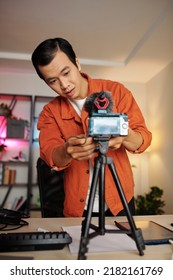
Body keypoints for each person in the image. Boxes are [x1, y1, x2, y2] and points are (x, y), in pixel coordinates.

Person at [31, 37, 152, 217]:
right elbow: (49, 155)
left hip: (120, 201)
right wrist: (66, 151)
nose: (64, 85)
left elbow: (143, 140)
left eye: (66, 72)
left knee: (123, 245)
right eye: (53, 81)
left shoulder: (116, 92)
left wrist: (124, 133)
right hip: (78, 207)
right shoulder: (50, 112)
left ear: (77, 64)